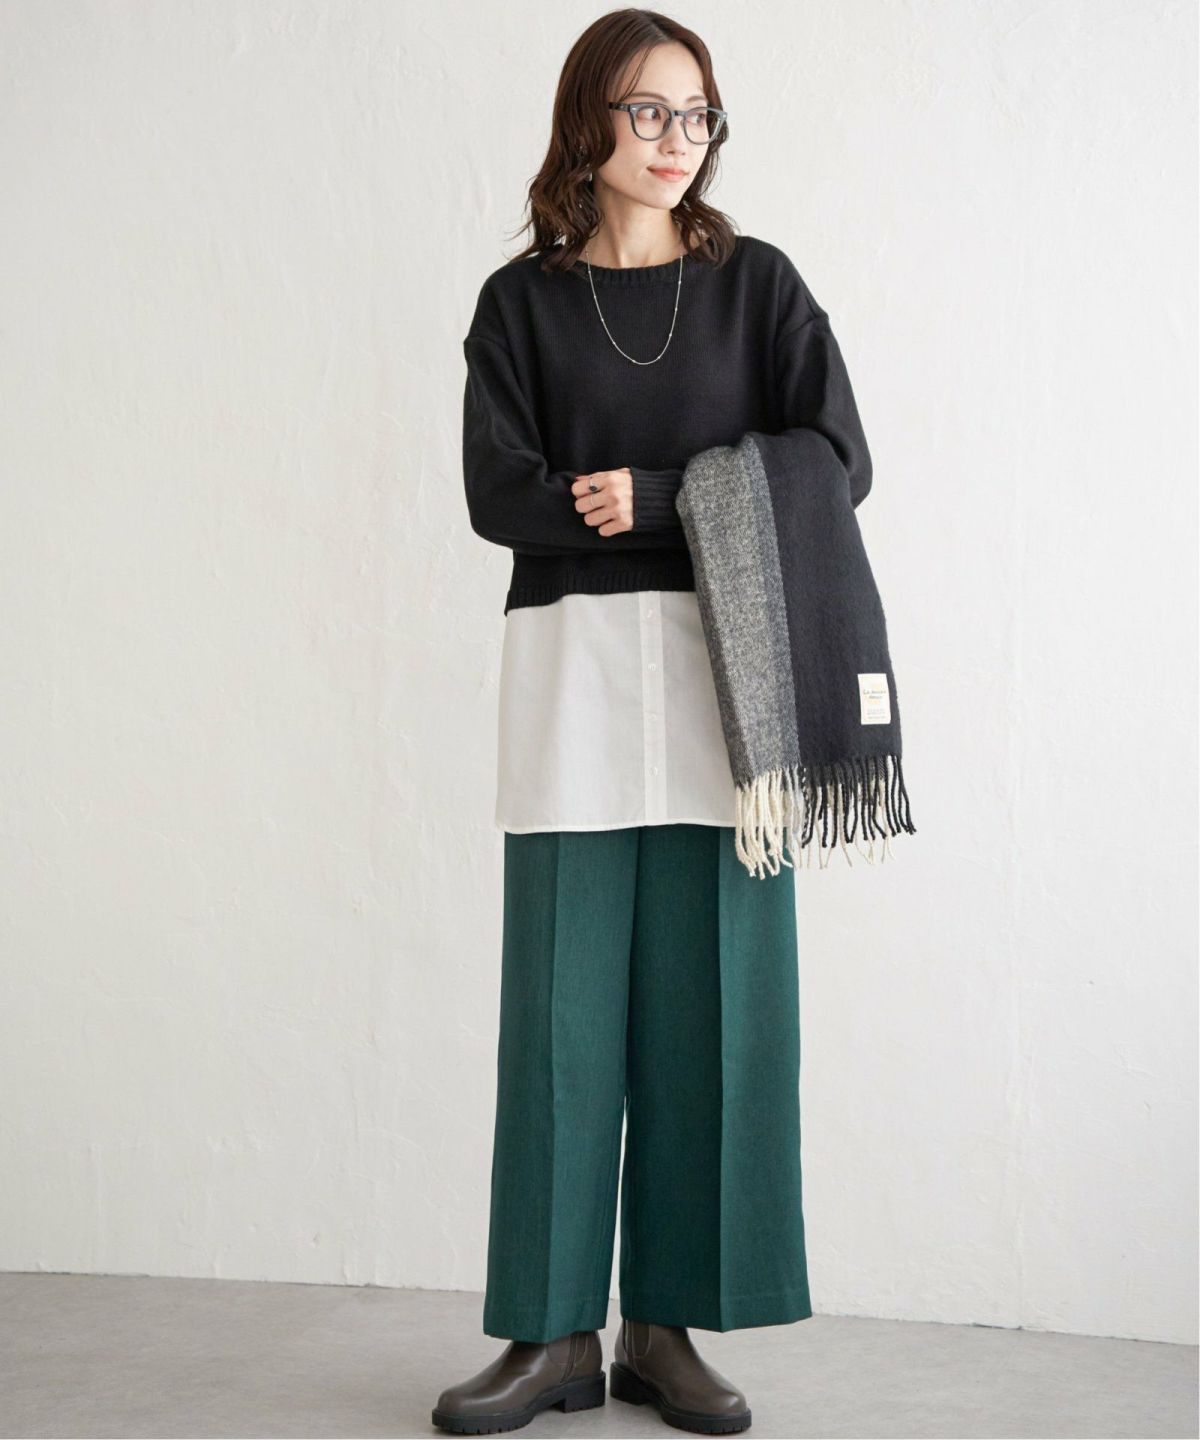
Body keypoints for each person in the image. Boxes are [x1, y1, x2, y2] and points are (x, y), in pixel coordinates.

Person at [433, 8, 873, 1435]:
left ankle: (665, 1329)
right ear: (589, 122)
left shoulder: (757, 288)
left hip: (728, 685)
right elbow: (498, 491)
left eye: (697, 115)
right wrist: (612, 511)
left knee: (711, 1010)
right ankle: (552, 1334)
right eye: (647, 111)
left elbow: (839, 461)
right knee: (558, 1018)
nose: (676, 140)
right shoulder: (521, 305)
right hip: (570, 674)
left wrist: (666, 496)